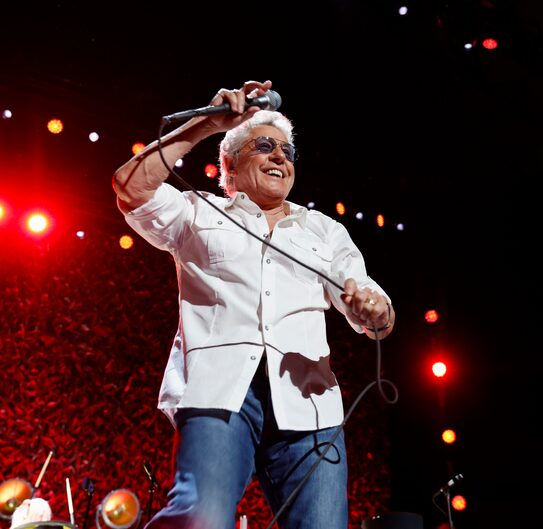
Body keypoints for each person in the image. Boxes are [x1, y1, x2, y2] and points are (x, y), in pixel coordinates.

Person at [112, 79, 395, 529]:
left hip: (310, 407)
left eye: (288, 151)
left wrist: (374, 310)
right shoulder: (197, 212)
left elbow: (375, 309)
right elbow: (130, 187)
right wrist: (205, 124)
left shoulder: (324, 231)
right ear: (229, 162)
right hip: (220, 395)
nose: (281, 156)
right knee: (201, 519)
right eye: (265, 145)